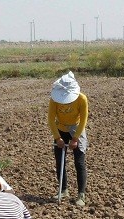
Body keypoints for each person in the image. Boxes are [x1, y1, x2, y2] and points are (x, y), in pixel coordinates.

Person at [48, 71, 89, 206]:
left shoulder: (81, 99)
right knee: (60, 162)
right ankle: (63, 190)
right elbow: (51, 119)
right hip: (60, 130)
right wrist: (58, 138)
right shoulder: (54, 100)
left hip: (76, 129)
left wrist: (76, 139)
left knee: (79, 162)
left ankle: (81, 195)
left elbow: (83, 120)